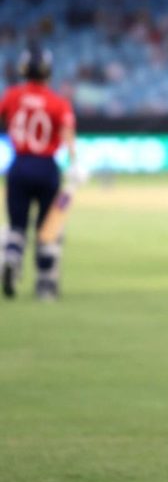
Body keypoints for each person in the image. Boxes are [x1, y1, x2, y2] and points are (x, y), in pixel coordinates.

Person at [2, 46, 79, 301]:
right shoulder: (58, 102)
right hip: (47, 168)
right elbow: (68, 135)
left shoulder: (12, 96)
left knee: (17, 226)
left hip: (20, 165)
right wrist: (74, 164)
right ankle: (45, 285)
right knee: (48, 229)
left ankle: (11, 256)